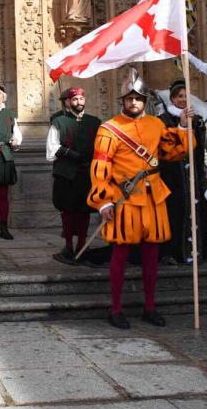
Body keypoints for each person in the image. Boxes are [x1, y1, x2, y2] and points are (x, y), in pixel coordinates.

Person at [87, 69, 190, 329]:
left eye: (138, 98)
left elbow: (172, 152)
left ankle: (150, 307)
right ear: (122, 100)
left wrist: (183, 127)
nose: (134, 102)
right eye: (129, 98)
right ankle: (116, 308)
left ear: (145, 101)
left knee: (151, 254)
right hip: (124, 199)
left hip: (154, 196)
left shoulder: (156, 124)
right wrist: (104, 201)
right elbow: (100, 167)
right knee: (120, 254)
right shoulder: (108, 129)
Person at [157, 80, 207, 265]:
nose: (183, 100)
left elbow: (202, 148)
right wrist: (181, 125)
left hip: (194, 174)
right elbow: (167, 148)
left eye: (186, 96)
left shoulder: (197, 120)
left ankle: (197, 251)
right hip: (173, 175)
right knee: (175, 213)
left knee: (199, 212)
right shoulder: (164, 120)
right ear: (172, 99)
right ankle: (173, 252)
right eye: (179, 96)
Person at [47, 86, 101, 264]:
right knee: (68, 212)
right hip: (66, 175)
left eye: (81, 98)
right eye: (74, 99)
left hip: (86, 175)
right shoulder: (59, 122)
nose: (78, 102)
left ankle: (82, 246)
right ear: (68, 102)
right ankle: (68, 247)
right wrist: (70, 154)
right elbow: (52, 149)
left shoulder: (94, 122)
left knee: (84, 212)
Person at [0, 84, 22, 240]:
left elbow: (17, 135)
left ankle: (3, 228)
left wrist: (16, 141)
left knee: (3, 193)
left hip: (5, 155)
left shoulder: (10, 115)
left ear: (3, 96)